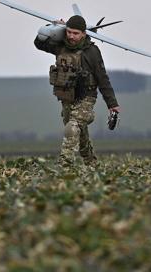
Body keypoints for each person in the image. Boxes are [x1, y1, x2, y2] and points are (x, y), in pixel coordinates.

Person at [34, 15, 121, 167]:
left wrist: (112, 104)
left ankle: (64, 165)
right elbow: (39, 43)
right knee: (80, 133)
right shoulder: (61, 46)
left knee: (72, 128)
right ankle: (91, 163)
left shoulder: (92, 51)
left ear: (83, 34)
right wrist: (54, 28)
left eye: (75, 33)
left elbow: (102, 78)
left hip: (86, 98)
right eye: (68, 32)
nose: (71, 36)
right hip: (67, 97)